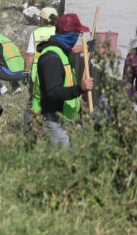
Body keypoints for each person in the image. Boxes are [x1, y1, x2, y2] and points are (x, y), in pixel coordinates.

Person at [31, 13, 94, 147]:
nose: (78, 37)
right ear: (69, 33)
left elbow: (73, 50)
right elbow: (53, 92)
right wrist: (80, 88)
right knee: (60, 161)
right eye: (78, 33)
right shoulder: (52, 58)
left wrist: (87, 46)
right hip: (52, 119)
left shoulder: (61, 51)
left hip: (62, 117)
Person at [24, 6, 59, 72]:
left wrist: (26, 71)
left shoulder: (36, 33)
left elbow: (30, 54)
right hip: (58, 67)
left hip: (39, 70)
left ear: (42, 19)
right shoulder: (59, 31)